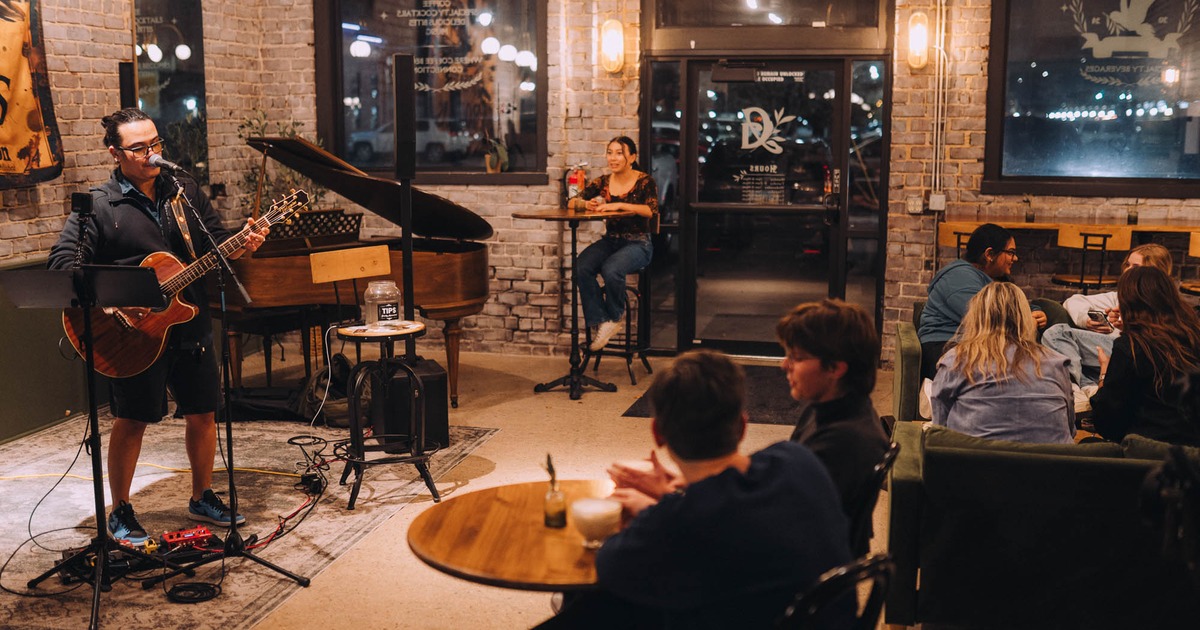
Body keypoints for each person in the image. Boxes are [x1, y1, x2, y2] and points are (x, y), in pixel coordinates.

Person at [47, 107, 269, 546]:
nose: (151, 154)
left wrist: (244, 243)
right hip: (132, 334)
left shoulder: (183, 192)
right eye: (139, 147)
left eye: (155, 144)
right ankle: (120, 510)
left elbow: (214, 243)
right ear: (115, 153)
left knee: (203, 412)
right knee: (132, 419)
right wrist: (113, 302)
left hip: (188, 320)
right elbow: (63, 263)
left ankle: (202, 495)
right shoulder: (100, 204)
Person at [543, 351, 851, 629]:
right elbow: (731, 504)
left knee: (595, 607)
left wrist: (657, 511)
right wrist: (673, 492)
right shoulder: (797, 460)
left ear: (657, 434)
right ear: (742, 426)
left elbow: (609, 566)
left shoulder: (674, 525)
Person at [775, 299, 891, 556]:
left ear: (836, 368)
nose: (784, 365)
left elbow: (788, 526)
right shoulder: (827, 409)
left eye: (796, 357)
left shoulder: (845, 443)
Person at [930, 282, 1075, 444]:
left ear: (975, 317)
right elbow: (1070, 428)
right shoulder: (1057, 363)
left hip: (974, 458)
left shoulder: (956, 360)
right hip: (1049, 459)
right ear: (1025, 317)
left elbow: (940, 428)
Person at [918, 223, 1046, 379]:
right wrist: (1027, 321)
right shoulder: (959, 277)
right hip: (945, 347)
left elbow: (1013, 304)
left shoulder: (991, 278)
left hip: (975, 343)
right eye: (1011, 252)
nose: (1015, 258)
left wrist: (1034, 312)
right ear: (989, 254)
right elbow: (990, 320)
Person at [1091, 266, 1200, 446]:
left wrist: (1104, 373)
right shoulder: (1192, 336)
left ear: (1127, 302)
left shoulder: (1131, 347)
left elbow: (1107, 424)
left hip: (1149, 451)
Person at [570, 136, 659, 351]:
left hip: (638, 244)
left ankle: (614, 316)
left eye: (619, 153)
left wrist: (619, 205)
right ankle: (602, 320)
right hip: (611, 241)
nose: (613, 158)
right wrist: (586, 204)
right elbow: (571, 201)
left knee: (611, 268)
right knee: (581, 266)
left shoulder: (644, 181)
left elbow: (650, 210)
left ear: (632, 157)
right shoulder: (603, 182)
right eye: (610, 152)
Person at [1041, 244, 1172, 388]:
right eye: (1127, 265)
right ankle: (1088, 387)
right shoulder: (1119, 297)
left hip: (1138, 354)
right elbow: (1073, 301)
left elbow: (1153, 342)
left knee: (1057, 334)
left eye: (1135, 267)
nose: (1127, 270)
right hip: (1117, 348)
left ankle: (1074, 388)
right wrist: (1086, 320)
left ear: (1153, 271)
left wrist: (1126, 327)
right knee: (1072, 354)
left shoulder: (1163, 302)